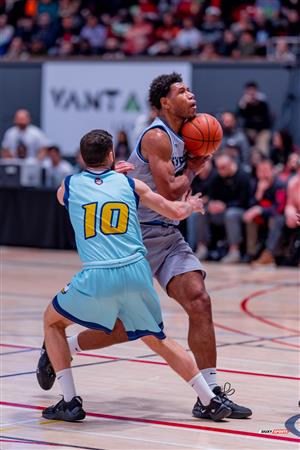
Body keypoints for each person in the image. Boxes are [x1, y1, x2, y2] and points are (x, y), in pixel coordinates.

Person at [37, 73, 252, 420]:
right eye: (182, 91)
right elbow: (169, 191)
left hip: (167, 231)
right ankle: (61, 346)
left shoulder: (189, 132)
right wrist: (196, 169)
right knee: (128, 328)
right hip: (138, 233)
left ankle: (209, 395)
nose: (192, 95)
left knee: (199, 300)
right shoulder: (157, 136)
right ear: (165, 102)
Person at [193, 153, 251, 263]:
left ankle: (234, 251)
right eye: (218, 168)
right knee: (202, 212)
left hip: (240, 211)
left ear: (231, 164)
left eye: (223, 167)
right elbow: (211, 195)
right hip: (221, 212)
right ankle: (202, 248)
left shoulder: (243, 176)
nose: (220, 171)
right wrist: (212, 204)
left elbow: (244, 201)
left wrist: (225, 206)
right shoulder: (217, 177)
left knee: (231, 214)